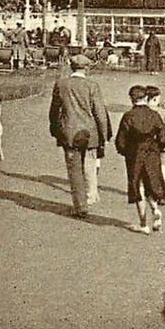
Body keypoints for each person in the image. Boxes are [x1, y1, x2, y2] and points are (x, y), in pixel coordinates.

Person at [49, 53, 112, 217]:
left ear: (72, 67)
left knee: (74, 169)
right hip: (90, 133)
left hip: (69, 132)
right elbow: (100, 113)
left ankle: (80, 206)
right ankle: (91, 194)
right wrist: (103, 135)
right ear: (86, 69)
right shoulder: (92, 86)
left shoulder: (61, 84)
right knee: (90, 165)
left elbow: (54, 110)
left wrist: (55, 129)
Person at [115, 85, 165, 234]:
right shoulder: (154, 115)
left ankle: (143, 224)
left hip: (134, 153)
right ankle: (155, 209)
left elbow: (120, 140)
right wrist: (158, 146)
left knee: (137, 186)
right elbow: (163, 135)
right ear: (146, 98)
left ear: (132, 99)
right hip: (152, 152)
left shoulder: (128, 116)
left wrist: (124, 151)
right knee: (151, 182)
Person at [145, 85, 165, 184]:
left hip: (147, 144)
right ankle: (162, 190)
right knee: (162, 166)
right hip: (161, 143)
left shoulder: (143, 111)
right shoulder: (161, 112)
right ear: (155, 99)